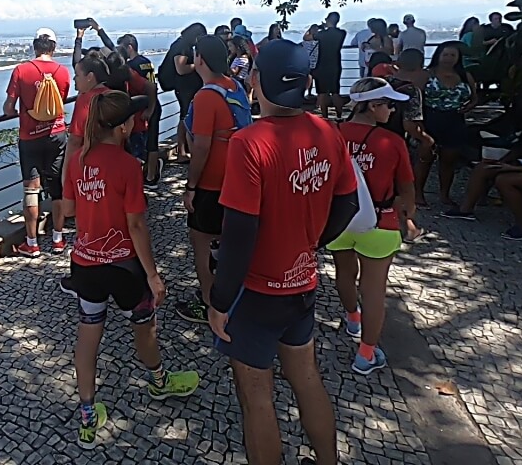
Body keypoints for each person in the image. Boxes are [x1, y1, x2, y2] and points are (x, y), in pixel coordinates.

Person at [208, 39, 358, 465]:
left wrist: (218, 301)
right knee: (307, 377)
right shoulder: (328, 131)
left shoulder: (249, 142)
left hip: (257, 292)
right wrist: (311, 242)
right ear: (308, 82)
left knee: (256, 397)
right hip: (302, 283)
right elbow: (348, 202)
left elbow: (239, 231)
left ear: (255, 81)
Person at [63, 90, 200, 448]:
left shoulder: (77, 159)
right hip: (125, 266)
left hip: (85, 264)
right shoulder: (127, 166)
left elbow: (70, 208)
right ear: (123, 126)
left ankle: (88, 415)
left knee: (88, 334)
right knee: (144, 324)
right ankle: (158, 381)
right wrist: (153, 274)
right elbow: (137, 225)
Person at [328, 78, 415, 375]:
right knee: (374, 289)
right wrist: (410, 217)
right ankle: (366, 354)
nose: (392, 111)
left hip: (338, 220)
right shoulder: (392, 142)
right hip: (380, 221)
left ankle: (353, 318)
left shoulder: (331, 134)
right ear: (374, 105)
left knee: (343, 272)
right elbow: (406, 189)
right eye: (389, 105)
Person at [174, 36, 242, 324]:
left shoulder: (205, 96)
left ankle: (209, 304)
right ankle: (234, 299)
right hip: (236, 178)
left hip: (212, 183)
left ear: (199, 58)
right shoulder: (234, 87)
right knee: (228, 243)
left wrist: (190, 187)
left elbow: (201, 146)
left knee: (201, 243)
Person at [3, 28, 71, 257]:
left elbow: (8, 108)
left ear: (34, 46)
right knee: (57, 189)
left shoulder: (21, 70)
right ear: (53, 48)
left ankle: (31, 243)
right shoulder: (62, 71)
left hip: (30, 138)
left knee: (31, 190)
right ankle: (58, 240)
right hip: (56, 134)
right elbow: (59, 102)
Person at [56, 53, 113, 256]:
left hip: (88, 167)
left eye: (77, 75)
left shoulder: (86, 100)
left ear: (90, 77)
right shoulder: (111, 96)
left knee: (86, 220)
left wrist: (66, 177)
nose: (74, 80)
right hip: (112, 164)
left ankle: (88, 258)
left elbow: (74, 140)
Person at [370, 61, 428, 241]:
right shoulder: (409, 91)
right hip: (395, 140)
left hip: (369, 138)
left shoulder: (368, 92)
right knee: (399, 185)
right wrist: (426, 140)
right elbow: (411, 124)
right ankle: (408, 225)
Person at [451, 106, 522, 229]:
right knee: (484, 168)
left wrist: (510, 168)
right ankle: (465, 210)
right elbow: (520, 148)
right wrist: (502, 162)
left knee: (505, 180)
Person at [424, 42, 477, 208]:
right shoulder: (427, 74)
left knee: (449, 160)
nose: (448, 59)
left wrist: (469, 106)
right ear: (438, 55)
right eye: (445, 55)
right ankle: (418, 194)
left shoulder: (464, 75)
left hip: (455, 120)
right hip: (431, 118)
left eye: (452, 55)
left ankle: (445, 195)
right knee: (425, 159)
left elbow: (475, 97)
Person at [117, 33, 163, 185]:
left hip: (143, 109)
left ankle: (145, 176)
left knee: (142, 144)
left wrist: (148, 110)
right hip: (153, 105)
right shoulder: (146, 61)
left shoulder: (131, 67)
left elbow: (148, 86)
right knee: (152, 143)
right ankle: (151, 175)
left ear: (129, 47)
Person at [392, 49, 436, 208]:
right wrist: (426, 139)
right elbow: (411, 125)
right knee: (421, 156)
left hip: (383, 133)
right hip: (405, 134)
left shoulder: (385, 82)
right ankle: (416, 194)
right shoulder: (413, 89)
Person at [163, 23, 208, 162]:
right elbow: (181, 69)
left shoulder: (184, 45)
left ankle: (186, 149)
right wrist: (199, 64)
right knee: (185, 116)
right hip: (184, 88)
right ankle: (182, 152)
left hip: (188, 87)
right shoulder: (181, 46)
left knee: (188, 116)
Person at [315, 12, 347, 121]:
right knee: (335, 91)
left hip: (322, 64)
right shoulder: (342, 33)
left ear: (327, 20)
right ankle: (339, 116)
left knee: (322, 93)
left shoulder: (322, 34)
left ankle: (325, 117)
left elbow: (308, 37)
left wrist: (320, 28)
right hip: (336, 64)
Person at [302, 25, 321, 98]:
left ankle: (308, 93)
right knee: (316, 79)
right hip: (316, 62)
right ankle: (317, 95)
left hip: (308, 63)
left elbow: (304, 37)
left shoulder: (305, 41)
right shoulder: (318, 40)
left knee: (308, 79)